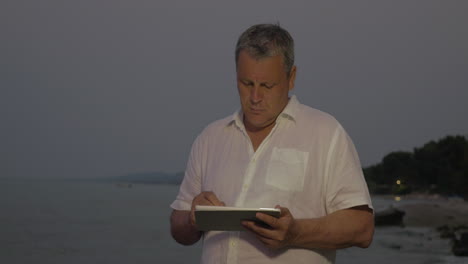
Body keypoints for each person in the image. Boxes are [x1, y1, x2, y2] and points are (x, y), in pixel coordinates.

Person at [170, 23, 374, 264]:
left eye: (267, 86)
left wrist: (296, 233)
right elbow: (177, 226)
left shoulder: (327, 133)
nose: (255, 97)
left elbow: (362, 228)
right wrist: (193, 218)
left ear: (291, 78)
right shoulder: (209, 137)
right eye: (247, 84)